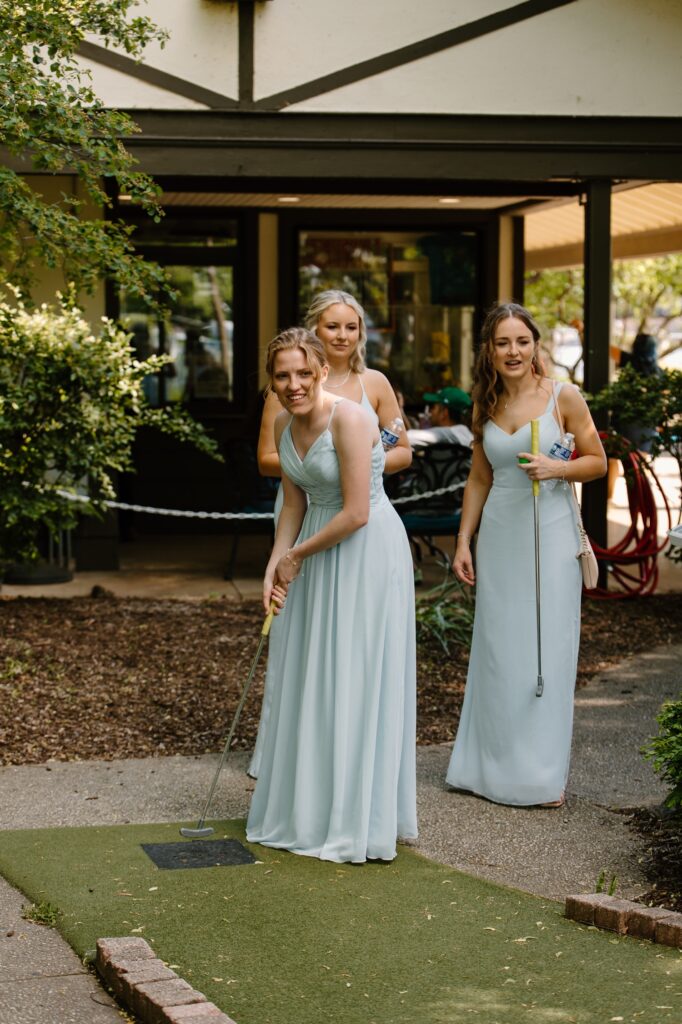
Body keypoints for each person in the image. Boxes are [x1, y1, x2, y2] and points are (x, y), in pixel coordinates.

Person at [246, 327, 417, 862]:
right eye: (282, 375)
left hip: (362, 551)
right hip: (313, 546)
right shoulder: (280, 422)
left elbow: (357, 512)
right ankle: (307, 811)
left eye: (302, 373)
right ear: (271, 381)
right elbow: (292, 506)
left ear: (322, 371)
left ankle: (352, 819)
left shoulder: (351, 417)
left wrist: (297, 556)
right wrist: (276, 564)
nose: (293, 384)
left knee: (351, 675)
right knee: (311, 672)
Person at [446, 303, 606, 807]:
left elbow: (598, 462)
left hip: (550, 533)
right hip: (500, 532)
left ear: (535, 344)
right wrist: (463, 540)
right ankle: (488, 767)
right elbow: (479, 478)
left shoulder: (563, 397)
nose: (513, 351)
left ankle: (540, 776)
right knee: (499, 649)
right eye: (502, 343)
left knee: (546, 649)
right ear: (489, 351)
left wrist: (557, 471)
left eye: (521, 341)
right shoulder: (483, 404)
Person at [407, 386, 473, 449]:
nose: (430, 411)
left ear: (444, 413)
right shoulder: (466, 434)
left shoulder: (450, 434)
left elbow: (407, 438)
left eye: (433, 407)